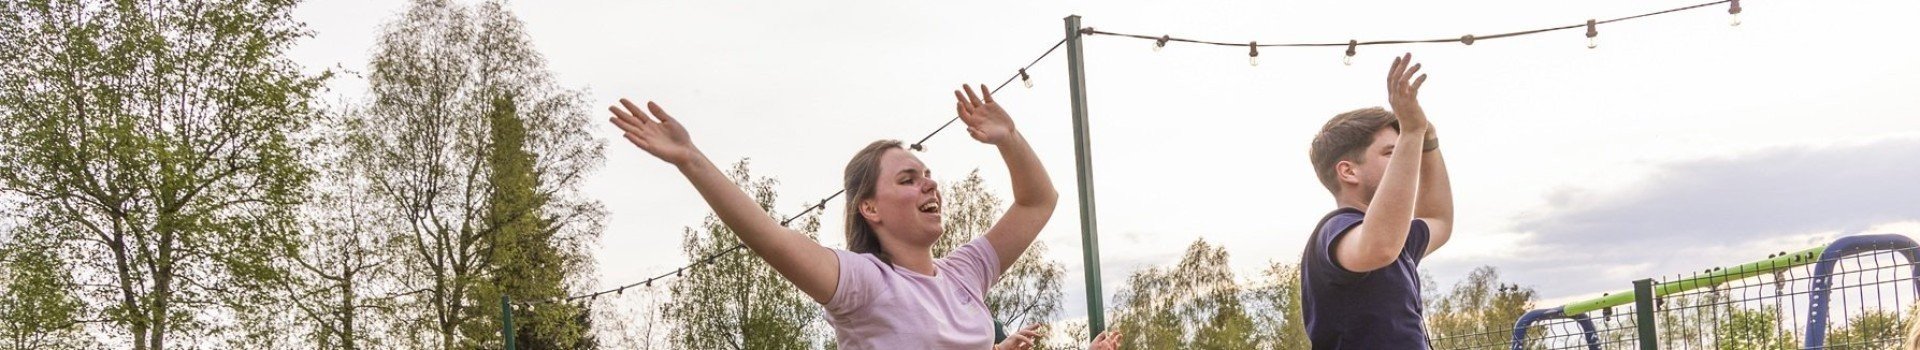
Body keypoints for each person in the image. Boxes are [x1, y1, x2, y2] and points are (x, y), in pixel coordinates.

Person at [609, 84, 1117, 348]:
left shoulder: (965, 274)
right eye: (907, 179)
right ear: (869, 208)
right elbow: (768, 236)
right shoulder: (864, 282)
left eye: (927, 175)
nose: (929, 184)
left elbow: (1037, 201)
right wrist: (691, 159)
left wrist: (1009, 139)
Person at [1299, 53, 1455, 349]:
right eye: (1390, 153)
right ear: (1348, 171)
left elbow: (1439, 220)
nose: (1405, 158)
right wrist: (1411, 132)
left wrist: (1427, 140)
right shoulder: (1335, 230)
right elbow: (1379, 247)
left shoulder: (1397, 242)